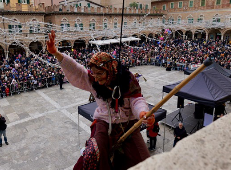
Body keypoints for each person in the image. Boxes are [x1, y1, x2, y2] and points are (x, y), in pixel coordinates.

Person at [46, 30, 155, 170]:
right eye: (94, 73)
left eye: (100, 73)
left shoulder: (127, 80)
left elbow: (136, 100)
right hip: (104, 123)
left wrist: (142, 113)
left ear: (109, 70)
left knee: (145, 161)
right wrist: (56, 53)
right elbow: (76, 70)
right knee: (93, 154)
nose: (96, 78)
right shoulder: (93, 82)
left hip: (128, 124)